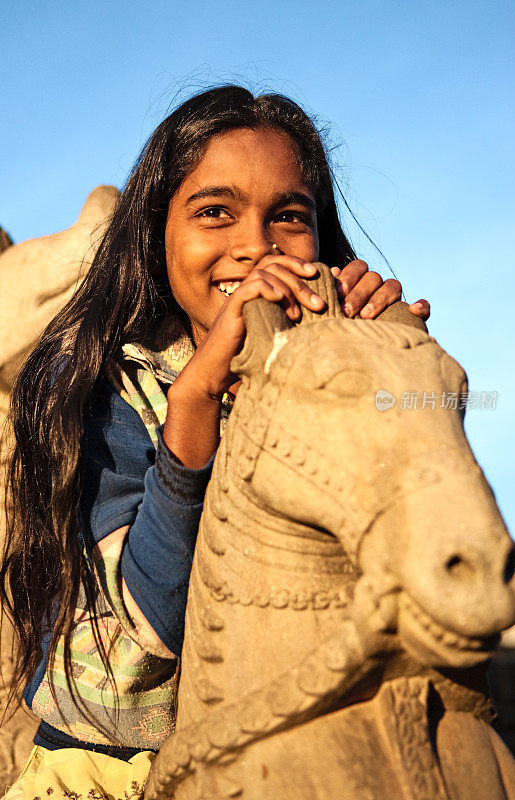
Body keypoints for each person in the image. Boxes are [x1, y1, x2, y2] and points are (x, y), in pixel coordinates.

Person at [0, 86, 429, 798]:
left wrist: (391, 362)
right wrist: (194, 401)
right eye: (214, 213)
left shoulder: (329, 369)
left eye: (289, 216)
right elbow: (140, 648)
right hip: (103, 768)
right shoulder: (109, 392)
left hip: (287, 749)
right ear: (155, 234)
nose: (256, 247)